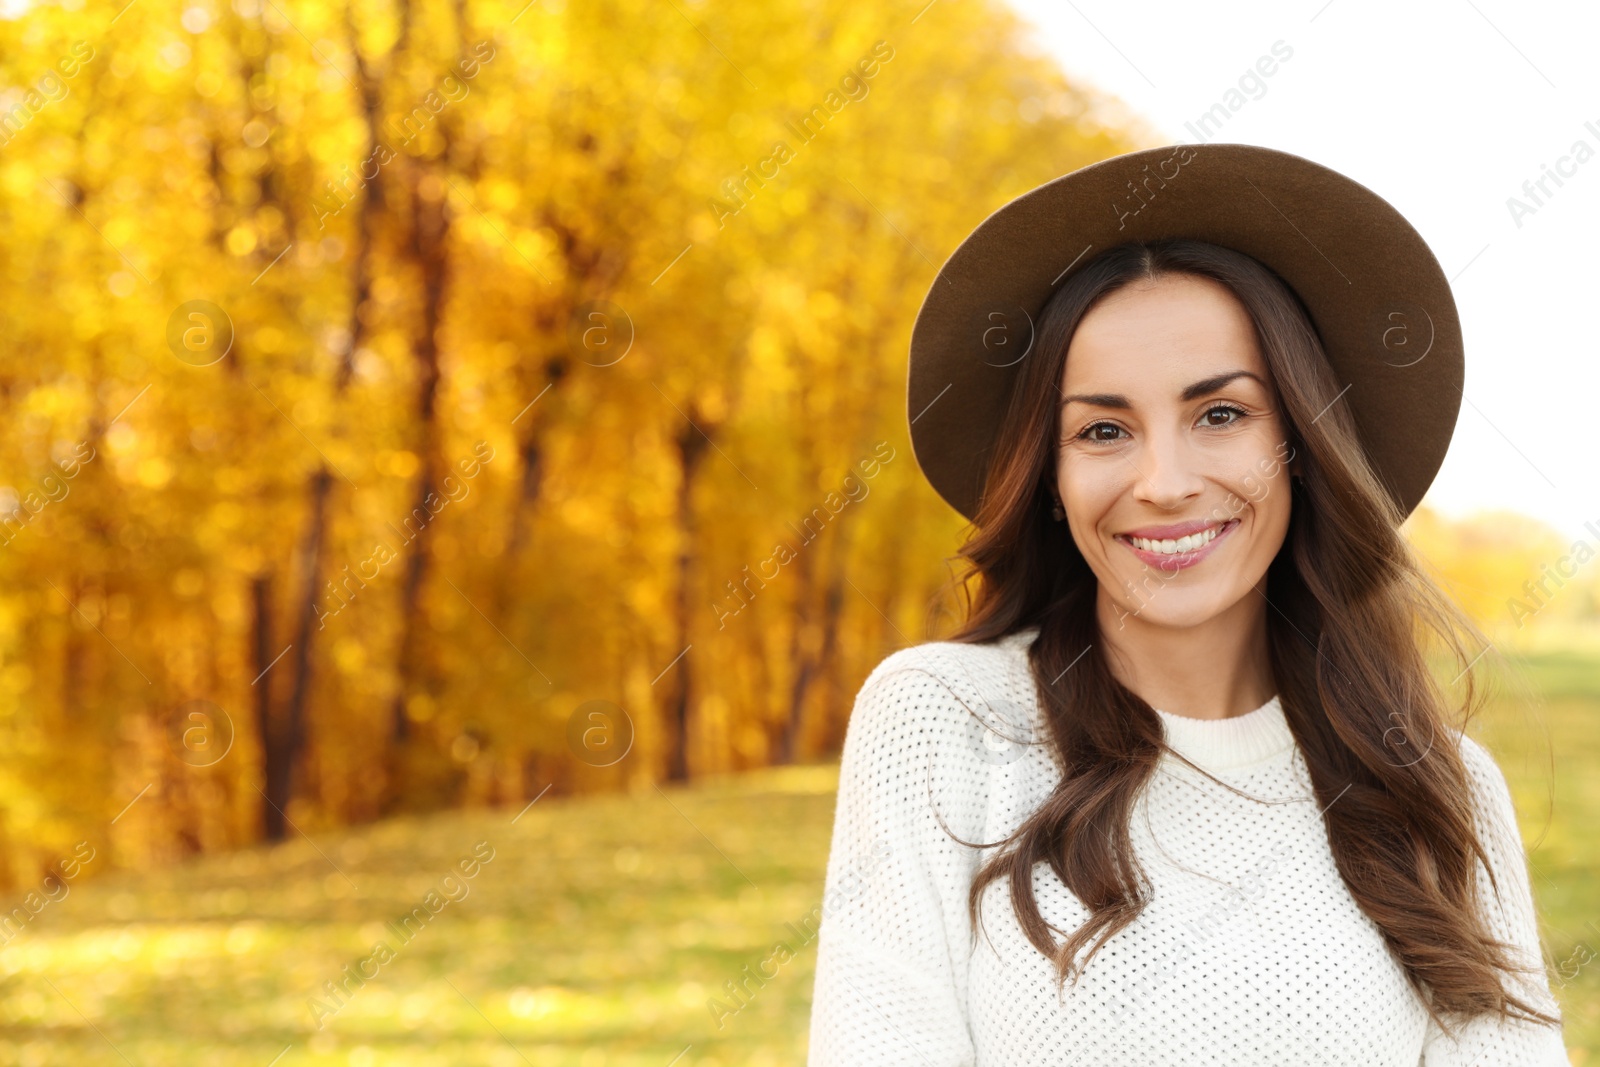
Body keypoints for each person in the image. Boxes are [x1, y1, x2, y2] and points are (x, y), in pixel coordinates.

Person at [805, 144, 1569, 1065]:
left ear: (1301, 441)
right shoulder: (943, 723)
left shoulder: (1443, 790)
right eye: (1102, 430)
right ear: (1048, 477)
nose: (1164, 483)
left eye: (1221, 414)